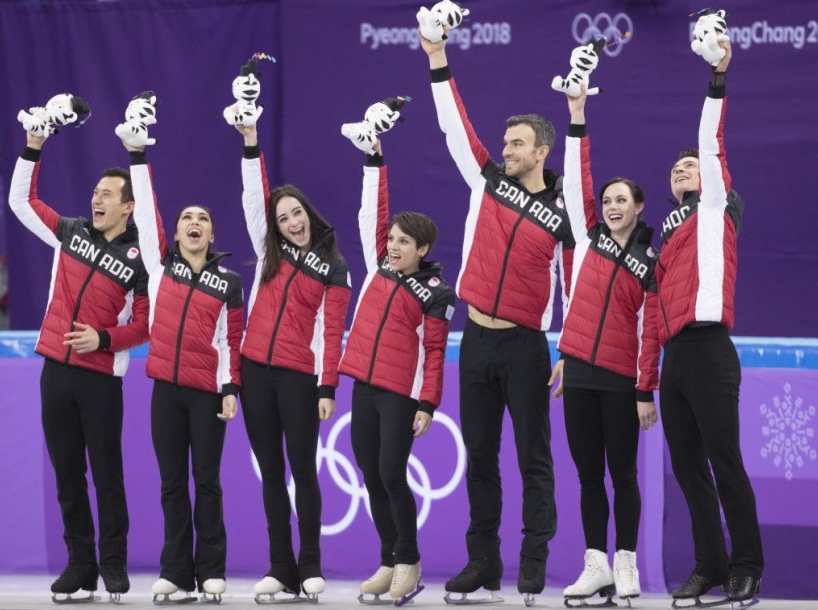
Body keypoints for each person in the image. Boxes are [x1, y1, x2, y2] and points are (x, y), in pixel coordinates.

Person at [420, 28, 575, 604]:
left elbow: (575, 284)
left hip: (526, 346)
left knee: (533, 458)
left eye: (517, 144)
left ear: (543, 151)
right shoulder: (487, 183)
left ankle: (533, 561)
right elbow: (454, 126)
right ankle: (483, 562)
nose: (505, 150)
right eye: (505, 143)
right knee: (480, 457)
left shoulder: (564, 214)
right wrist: (438, 58)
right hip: (475, 341)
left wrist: (566, 346)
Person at [8, 104, 148, 603]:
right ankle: (80, 565)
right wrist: (34, 147)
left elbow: (147, 324)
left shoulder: (140, 261)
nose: (96, 199)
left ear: (129, 207)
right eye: (95, 193)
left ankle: (113, 565)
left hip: (100, 379)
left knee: (107, 476)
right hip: (55, 371)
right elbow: (21, 202)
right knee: (68, 474)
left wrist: (105, 340)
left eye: (107, 195)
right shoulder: (68, 233)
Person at [119, 97, 244, 604]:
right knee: (172, 484)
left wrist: (230, 388)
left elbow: (232, 341)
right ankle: (176, 572)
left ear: (212, 234)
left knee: (206, 483)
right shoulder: (161, 266)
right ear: (176, 234)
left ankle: (211, 570)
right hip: (165, 393)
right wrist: (137, 157)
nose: (194, 222)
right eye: (187, 218)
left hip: (206, 395)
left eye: (203, 219)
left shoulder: (230, 281)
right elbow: (145, 213)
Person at [657, 40, 763, 605]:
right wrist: (645, 380)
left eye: (690, 164)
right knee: (688, 470)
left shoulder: (717, 208)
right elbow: (652, 310)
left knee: (724, 461)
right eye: (675, 168)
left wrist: (718, 74)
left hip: (710, 348)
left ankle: (747, 565)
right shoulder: (666, 237)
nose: (682, 168)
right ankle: (711, 566)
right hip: (674, 358)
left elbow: (710, 142)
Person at [546, 89, 660, 606]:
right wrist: (576, 115)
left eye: (623, 201)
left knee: (623, 477)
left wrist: (644, 389)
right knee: (589, 476)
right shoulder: (587, 239)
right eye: (608, 200)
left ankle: (626, 563)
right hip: (579, 374)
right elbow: (576, 177)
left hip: (620, 380)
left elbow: (652, 330)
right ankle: (595, 564)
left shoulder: (650, 262)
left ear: (638, 208)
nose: (613, 206)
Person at [234, 120, 352, 602]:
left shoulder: (334, 267)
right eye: (282, 218)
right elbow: (252, 195)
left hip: (300, 380)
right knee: (270, 473)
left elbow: (331, 332)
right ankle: (279, 566)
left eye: (296, 213)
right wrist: (250, 140)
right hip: (253, 376)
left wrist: (327, 388)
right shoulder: (271, 251)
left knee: (303, 471)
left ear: (310, 213)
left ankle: (309, 567)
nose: (292, 222)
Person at [337, 134, 456, 606]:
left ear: (422, 248)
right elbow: (373, 210)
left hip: (400, 393)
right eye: (391, 239)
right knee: (369, 473)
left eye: (403, 242)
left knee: (391, 472)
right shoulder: (377, 269)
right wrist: (375, 160)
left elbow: (435, 351)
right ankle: (389, 558)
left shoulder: (436, 294)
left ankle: (409, 560)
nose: (392, 246)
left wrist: (428, 403)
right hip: (363, 385)